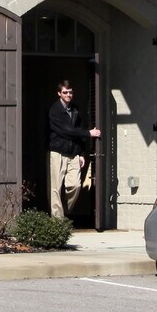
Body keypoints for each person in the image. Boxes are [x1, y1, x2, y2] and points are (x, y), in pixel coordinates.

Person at [46, 79, 100, 221]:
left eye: (70, 92)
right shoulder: (54, 110)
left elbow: (78, 131)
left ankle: (65, 211)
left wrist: (82, 154)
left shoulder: (76, 110)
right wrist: (89, 133)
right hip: (58, 152)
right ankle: (57, 221)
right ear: (59, 94)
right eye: (65, 92)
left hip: (74, 153)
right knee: (55, 188)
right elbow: (66, 131)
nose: (68, 95)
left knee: (75, 185)